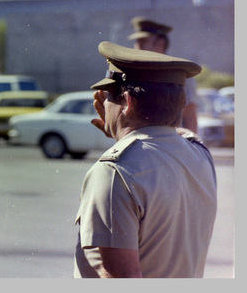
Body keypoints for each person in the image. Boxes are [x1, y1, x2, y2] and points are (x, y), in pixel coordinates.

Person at [75, 41, 217, 278]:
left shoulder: (115, 173)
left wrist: (126, 138)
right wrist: (125, 133)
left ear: (127, 103)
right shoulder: (200, 155)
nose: (103, 103)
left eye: (109, 95)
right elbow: (171, 137)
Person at [127, 16, 199, 133]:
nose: (137, 46)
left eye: (143, 41)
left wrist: (192, 147)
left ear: (160, 44)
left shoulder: (179, 72)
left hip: (171, 143)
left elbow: (190, 114)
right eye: (137, 41)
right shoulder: (134, 72)